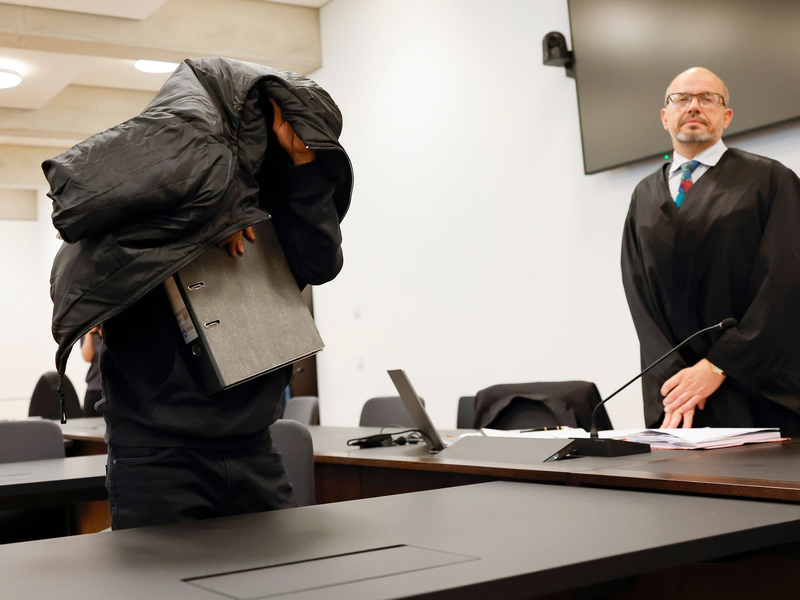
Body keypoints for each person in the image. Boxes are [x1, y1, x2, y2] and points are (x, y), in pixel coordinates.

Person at [45, 58, 352, 530]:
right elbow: (87, 269)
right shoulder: (137, 199)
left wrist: (305, 165)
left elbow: (320, 263)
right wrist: (215, 218)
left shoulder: (273, 201)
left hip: (253, 443)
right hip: (157, 454)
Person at [621, 67, 800, 433]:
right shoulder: (643, 195)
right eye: (682, 99)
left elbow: (785, 283)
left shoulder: (770, 180)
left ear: (726, 115)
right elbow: (639, 294)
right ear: (665, 116)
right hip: (676, 396)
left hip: (753, 389)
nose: (694, 106)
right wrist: (674, 377)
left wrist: (718, 365)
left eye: (708, 99)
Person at [79, 325, 103, 417]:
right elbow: (87, 358)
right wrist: (89, 333)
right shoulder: (89, 331)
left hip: (115, 388)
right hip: (95, 388)